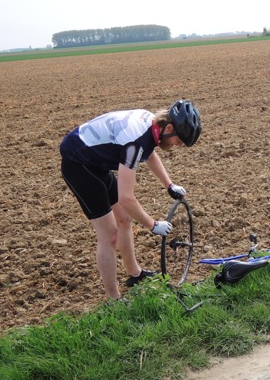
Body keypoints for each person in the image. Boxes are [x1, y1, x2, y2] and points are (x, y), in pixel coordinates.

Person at [60, 99, 202, 299]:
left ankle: (134, 273)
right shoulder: (134, 142)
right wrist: (152, 225)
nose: (177, 145)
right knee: (109, 235)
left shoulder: (152, 124)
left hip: (95, 161)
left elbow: (150, 154)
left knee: (124, 219)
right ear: (169, 127)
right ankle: (114, 299)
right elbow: (126, 198)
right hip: (79, 164)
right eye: (179, 140)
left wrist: (169, 185)